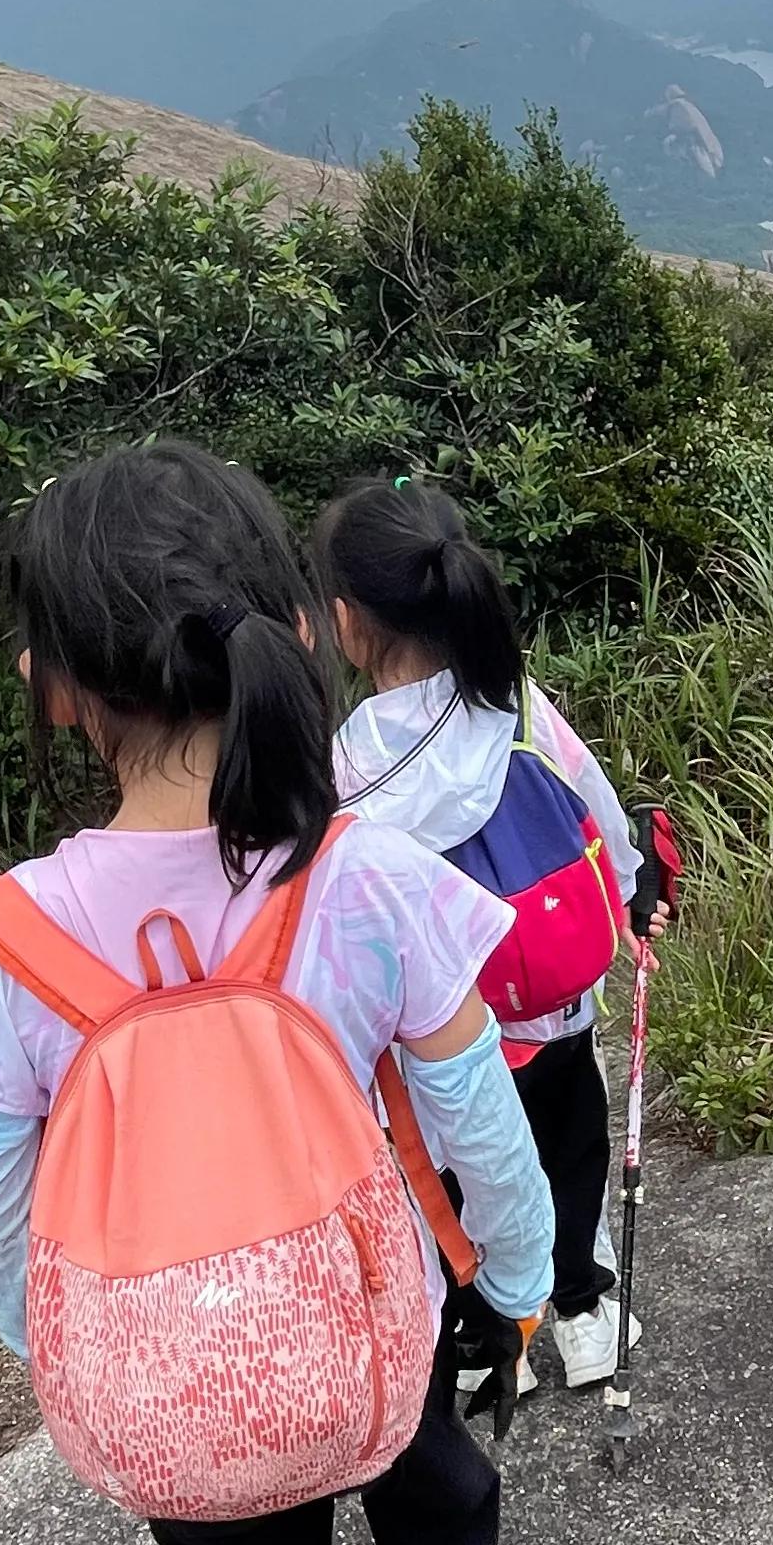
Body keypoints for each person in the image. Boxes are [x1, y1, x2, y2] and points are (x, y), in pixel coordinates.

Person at [0, 440, 558, 1545]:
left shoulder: (2, 944)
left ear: (53, 683)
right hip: (368, 1337)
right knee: (437, 1504)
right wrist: (514, 1283)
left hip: (162, 1384)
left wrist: (57, 1347)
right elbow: (475, 1113)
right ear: (281, 629)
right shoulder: (365, 873)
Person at [307, 477, 644, 1393]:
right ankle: (582, 1313)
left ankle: (487, 1339)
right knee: (570, 1161)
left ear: (347, 621)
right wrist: (633, 897)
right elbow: (604, 825)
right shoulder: (519, 709)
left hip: (443, 1048)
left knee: (459, 1181)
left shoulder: (345, 768)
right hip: (559, 1009)